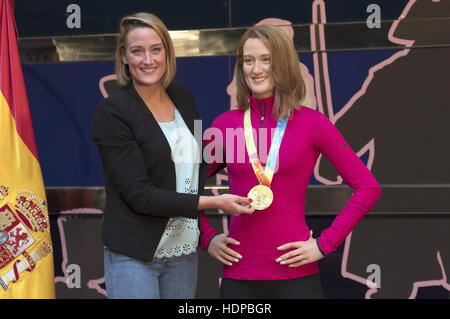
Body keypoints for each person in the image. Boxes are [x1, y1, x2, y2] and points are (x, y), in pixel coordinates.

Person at [199, 24, 382, 299]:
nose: (256, 69)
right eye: (248, 60)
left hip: (295, 276)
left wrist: (323, 245)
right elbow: (182, 186)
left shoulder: (312, 123)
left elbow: (368, 188)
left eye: (266, 59)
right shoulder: (225, 126)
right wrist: (207, 238)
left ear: (282, 63)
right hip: (238, 276)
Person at [91, 12, 254, 299]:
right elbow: (139, 196)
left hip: (183, 252)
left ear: (167, 52)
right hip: (135, 255)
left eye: (156, 49)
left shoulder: (181, 95)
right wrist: (216, 202)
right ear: (124, 57)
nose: (148, 60)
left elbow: (195, 162)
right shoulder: (113, 112)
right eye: (137, 51)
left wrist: (252, 152)